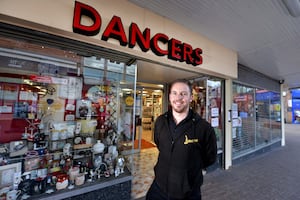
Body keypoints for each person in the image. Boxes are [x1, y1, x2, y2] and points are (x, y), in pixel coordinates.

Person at [146, 79, 217, 200]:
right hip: (158, 189)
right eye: (174, 93)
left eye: (183, 94)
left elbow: (209, 158)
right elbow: (159, 145)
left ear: (190, 98)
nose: (178, 98)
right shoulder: (160, 121)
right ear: (169, 96)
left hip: (188, 193)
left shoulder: (204, 128)